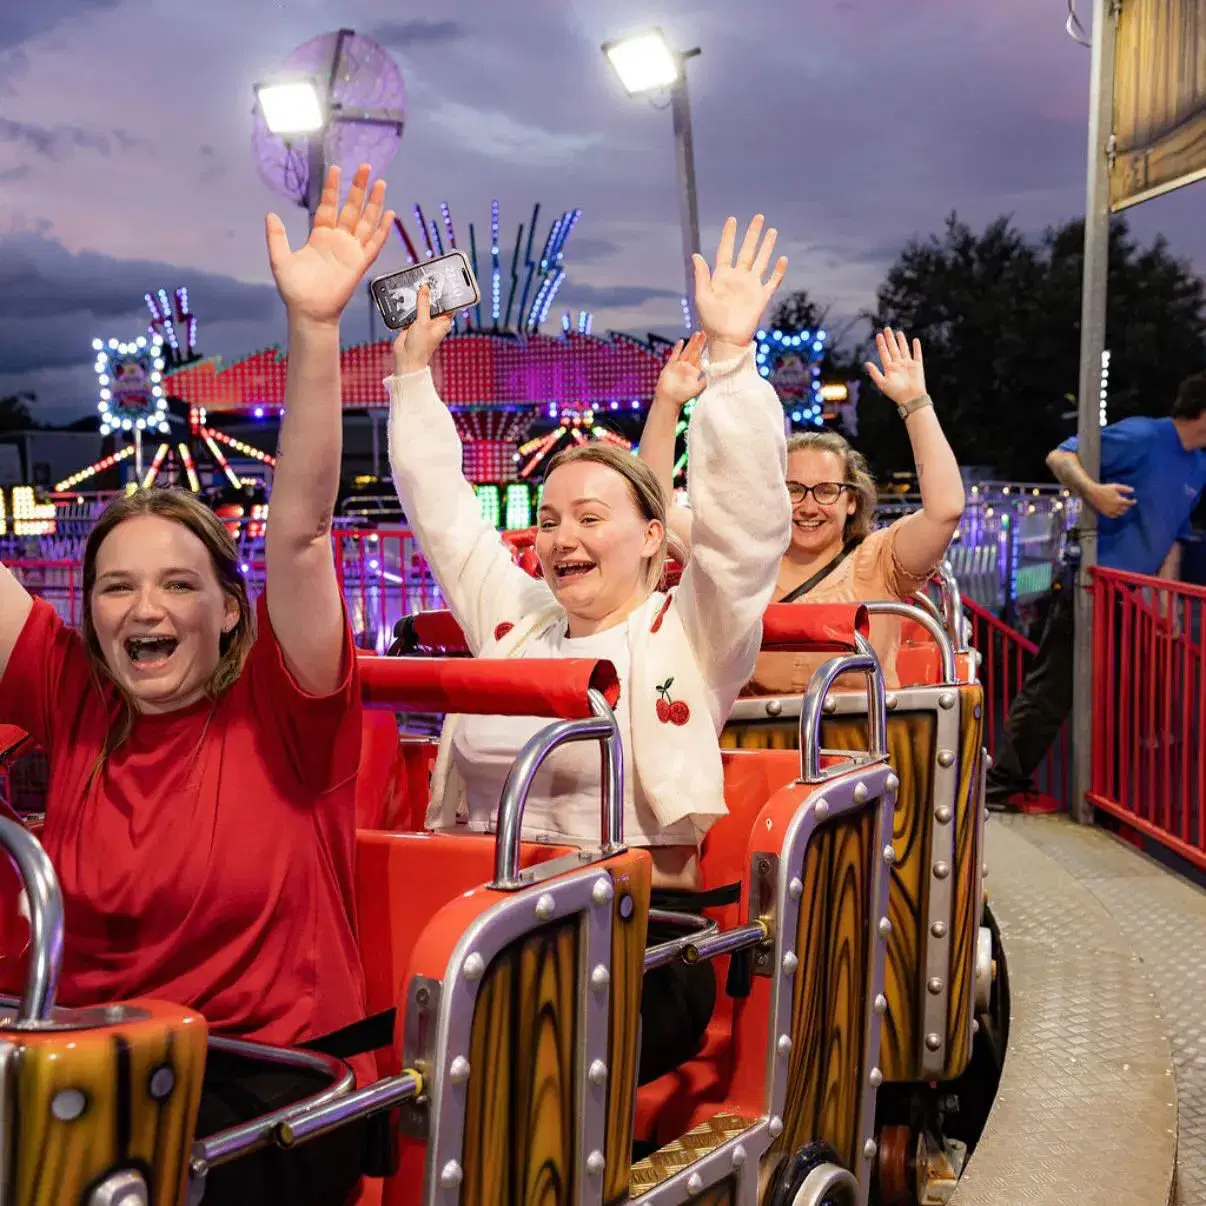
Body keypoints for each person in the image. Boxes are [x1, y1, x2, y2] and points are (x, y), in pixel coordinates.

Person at [0, 164, 395, 1204]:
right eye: (118, 586)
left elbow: (302, 532)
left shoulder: (280, 711)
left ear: (229, 607)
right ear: (87, 613)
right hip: (86, 1068)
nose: (146, 609)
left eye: (179, 583)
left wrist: (315, 329)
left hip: (270, 1090)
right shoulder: (73, 692)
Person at [387, 215, 792, 1082]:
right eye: (548, 520)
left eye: (590, 517)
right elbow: (444, 512)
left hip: (644, 944)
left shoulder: (692, 626)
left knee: (521, 1037)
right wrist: (413, 375)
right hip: (493, 927)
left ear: (653, 536)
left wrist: (729, 363)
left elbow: (748, 534)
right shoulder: (518, 622)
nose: (560, 537)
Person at [640, 327, 965, 690]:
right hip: (751, 739)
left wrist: (915, 402)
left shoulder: (881, 558)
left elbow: (945, 511)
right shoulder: (742, 557)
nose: (809, 506)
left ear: (851, 499)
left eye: (826, 490)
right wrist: (667, 403)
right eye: (793, 490)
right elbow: (657, 508)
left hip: (863, 737)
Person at [986, 371, 1206, 810]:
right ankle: (1001, 783)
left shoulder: (1198, 464)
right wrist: (1094, 492)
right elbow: (1060, 457)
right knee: (1054, 686)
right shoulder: (1144, 435)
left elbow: (1174, 534)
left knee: (1124, 696)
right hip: (1090, 586)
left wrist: (1165, 599)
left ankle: (1108, 800)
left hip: (1130, 597)